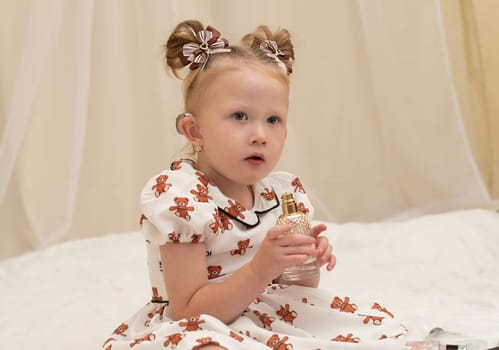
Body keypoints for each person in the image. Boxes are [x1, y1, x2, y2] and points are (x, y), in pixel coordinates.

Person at [102, 19, 408, 350]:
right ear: (195, 131)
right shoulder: (181, 198)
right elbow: (188, 311)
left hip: (264, 311)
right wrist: (261, 269)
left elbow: (297, 288)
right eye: (239, 116)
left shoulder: (284, 194)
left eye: (273, 120)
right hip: (201, 321)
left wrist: (304, 261)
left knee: (364, 330)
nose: (260, 135)